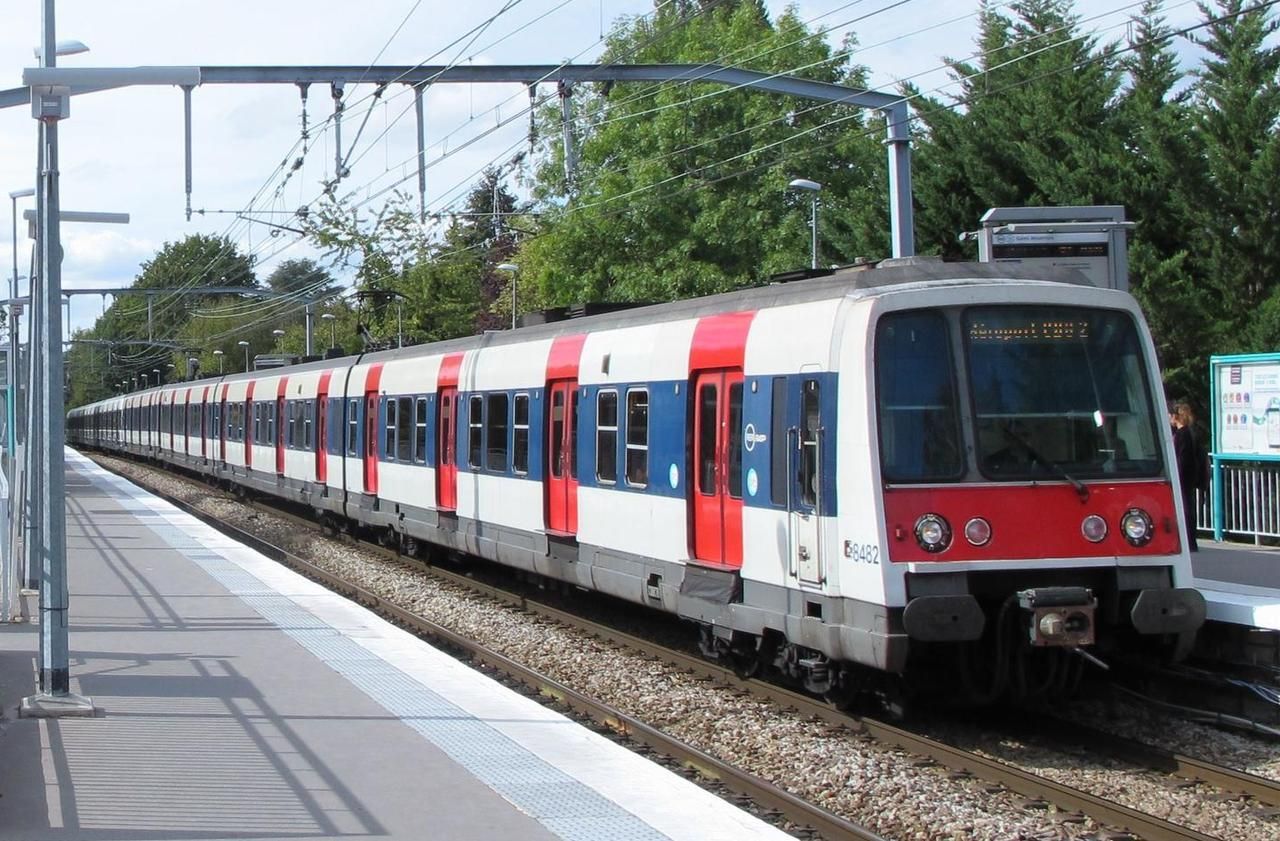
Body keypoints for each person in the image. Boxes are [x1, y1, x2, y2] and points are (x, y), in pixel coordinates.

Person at [1171, 400, 1206, 552]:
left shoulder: (1181, 434)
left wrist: (1175, 475)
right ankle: (1191, 540)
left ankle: (1188, 541)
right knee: (1189, 507)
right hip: (1191, 475)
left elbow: (1181, 458)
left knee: (1184, 507)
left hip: (1183, 476)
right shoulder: (1191, 432)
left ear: (1176, 417)